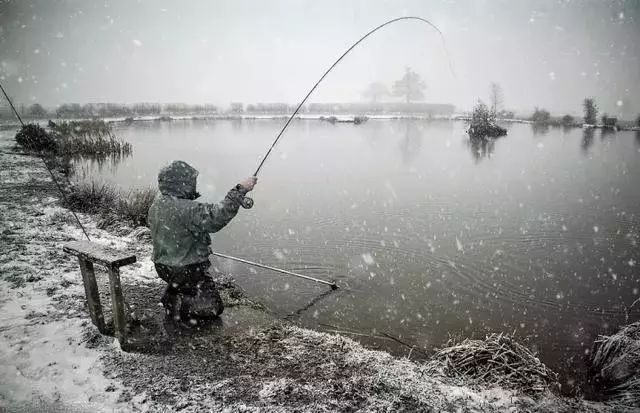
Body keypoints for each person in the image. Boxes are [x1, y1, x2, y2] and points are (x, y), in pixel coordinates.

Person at [147, 160, 257, 322]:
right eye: (191, 182)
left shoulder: (156, 205)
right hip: (186, 270)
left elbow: (176, 232)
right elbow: (217, 217)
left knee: (183, 283)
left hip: (163, 267)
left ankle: (175, 293)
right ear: (181, 184)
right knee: (213, 307)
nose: (194, 185)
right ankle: (179, 307)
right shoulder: (188, 208)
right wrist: (239, 190)